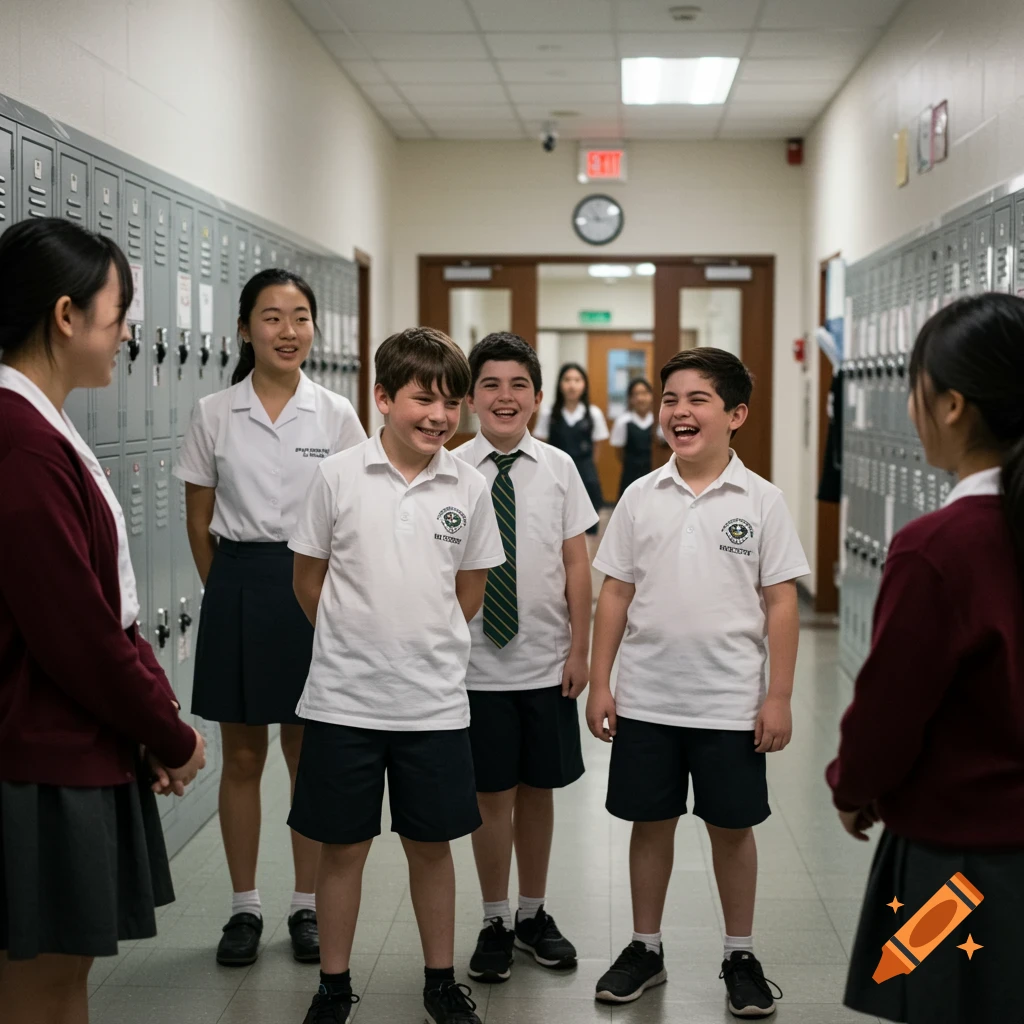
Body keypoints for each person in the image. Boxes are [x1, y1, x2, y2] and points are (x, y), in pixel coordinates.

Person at [0, 218, 206, 1024]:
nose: (128, 333)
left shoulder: (41, 429)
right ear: (65, 315)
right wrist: (171, 732)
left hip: (74, 747)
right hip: (42, 761)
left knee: (61, 982)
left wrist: (150, 722)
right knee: (42, 987)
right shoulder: (20, 443)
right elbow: (77, 634)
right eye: (118, 313)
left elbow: (104, 607)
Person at [287, 327, 505, 1024]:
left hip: (433, 706)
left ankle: (440, 981)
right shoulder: (337, 476)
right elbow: (308, 579)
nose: (439, 416)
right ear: (382, 397)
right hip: (344, 701)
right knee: (342, 847)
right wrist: (358, 640)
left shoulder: (468, 484)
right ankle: (333, 984)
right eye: (422, 399)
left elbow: (468, 591)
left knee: (432, 845)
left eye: (451, 403)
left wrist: (420, 643)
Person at [586, 347, 808, 1016]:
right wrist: (601, 681)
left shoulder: (762, 500)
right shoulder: (639, 496)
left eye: (697, 400)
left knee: (731, 828)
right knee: (649, 824)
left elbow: (781, 602)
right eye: (670, 399)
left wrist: (778, 695)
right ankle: (644, 948)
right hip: (650, 697)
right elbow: (616, 594)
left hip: (731, 703)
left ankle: (740, 952)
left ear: (735, 414)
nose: (679, 412)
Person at [825, 294, 1024, 1024]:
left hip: (954, 865)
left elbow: (889, 713)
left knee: (931, 996)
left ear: (950, 406)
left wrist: (853, 787)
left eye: (916, 389)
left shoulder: (939, 547)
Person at [174, 268, 365, 967]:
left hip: (315, 586)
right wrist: (229, 590)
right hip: (241, 583)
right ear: (245, 327)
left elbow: (352, 516)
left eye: (300, 317)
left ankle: (306, 906)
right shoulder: (213, 411)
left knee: (307, 753)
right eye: (272, 317)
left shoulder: (337, 413)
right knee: (244, 755)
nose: (288, 331)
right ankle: (244, 908)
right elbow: (199, 522)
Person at [452, 333, 597, 985]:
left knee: (539, 789)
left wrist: (582, 648)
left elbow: (576, 562)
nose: (505, 396)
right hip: (475, 667)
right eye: (491, 384)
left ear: (538, 397)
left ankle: (534, 912)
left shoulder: (560, 468)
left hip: (544, 662)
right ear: (470, 398)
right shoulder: (450, 469)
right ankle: (493, 918)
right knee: (490, 794)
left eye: (518, 385)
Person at [533, 362, 608, 535]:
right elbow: (540, 444)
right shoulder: (549, 413)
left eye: (577, 380)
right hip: (555, 475)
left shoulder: (593, 413)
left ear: (584, 384)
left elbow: (597, 448)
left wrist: (589, 469)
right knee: (556, 526)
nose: (572, 385)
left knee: (587, 528)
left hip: (585, 474)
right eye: (567, 379)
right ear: (560, 384)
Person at [610, 377, 656, 498]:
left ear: (651, 396)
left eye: (644, 393)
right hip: (631, 473)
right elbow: (619, 452)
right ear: (630, 399)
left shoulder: (658, 421)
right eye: (636, 394)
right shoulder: (623, 421)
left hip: (654, 471)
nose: (640, 398)